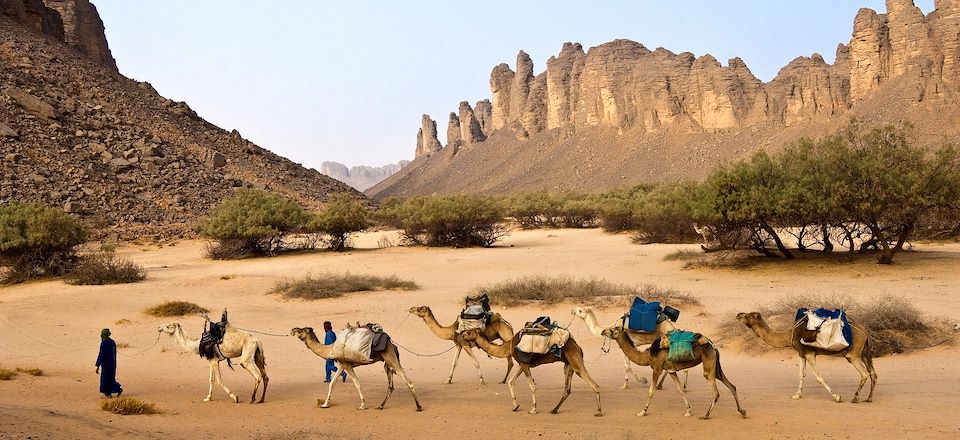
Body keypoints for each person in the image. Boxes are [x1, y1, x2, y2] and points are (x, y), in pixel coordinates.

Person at [95, 328, 123, 397]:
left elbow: (101, 354)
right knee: (110, 378)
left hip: (106, 364)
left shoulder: (104, 343)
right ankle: (111, 392)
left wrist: (98, 365)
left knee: (105, 378)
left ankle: (111, 392)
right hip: (112, 364)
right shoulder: (112, 342)